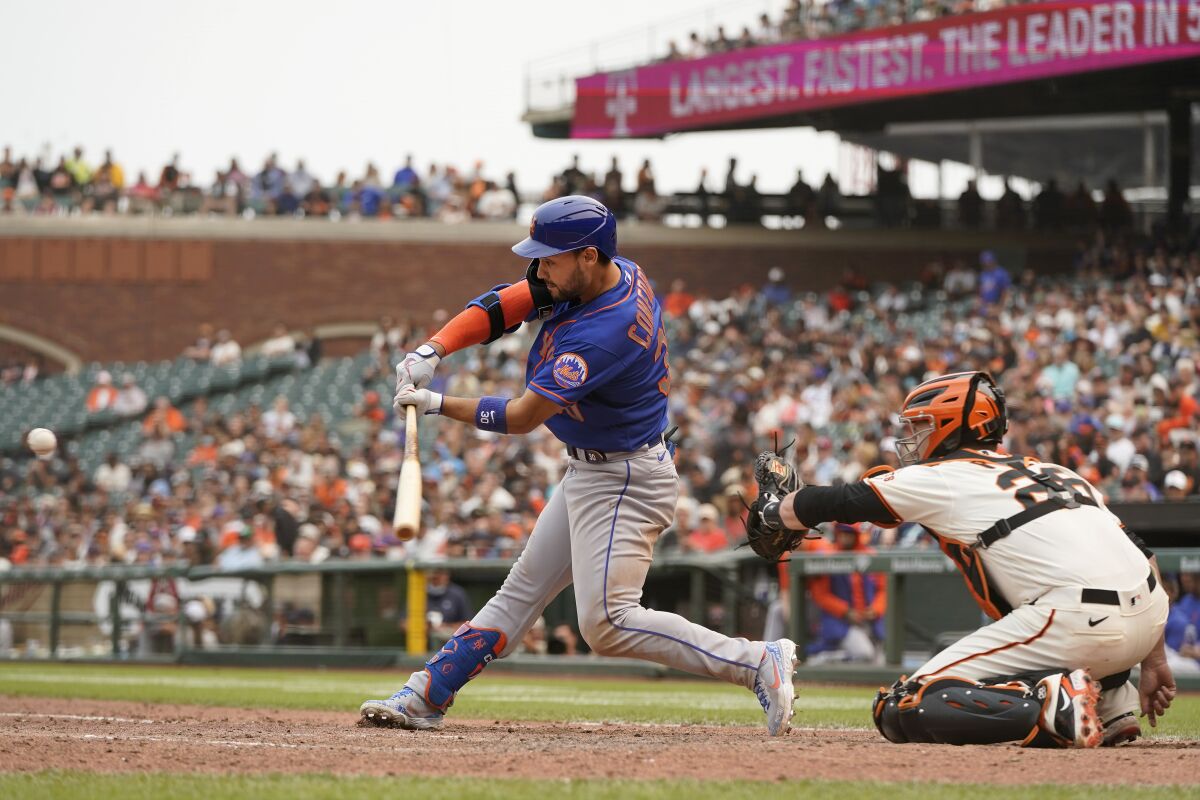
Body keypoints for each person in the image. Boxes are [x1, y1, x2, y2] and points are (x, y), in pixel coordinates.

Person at [359, 195, 797, 735]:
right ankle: (426, 694)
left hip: (625, 479)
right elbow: (509, 301)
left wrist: (436, 404)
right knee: (521, 592)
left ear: (588, 256)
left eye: (552, 257)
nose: (540, 268)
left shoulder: (603, 331)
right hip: (597, 469)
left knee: (607, 623)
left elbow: (522, 416)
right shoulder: (612, 271)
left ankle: (757, 661)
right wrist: (434, 349)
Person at [746, 371, 1173, 748]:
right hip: (1147, 621)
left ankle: (1053, 709)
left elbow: (848, 500)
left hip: (1076, 621)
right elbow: (1144, 558)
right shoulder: (1059, 471)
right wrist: (1155, 660)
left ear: (950, 426)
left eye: (920, 426)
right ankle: (1113, 703)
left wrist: (773, 510)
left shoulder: (946, 475)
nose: (910, 438)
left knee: (904, 705)